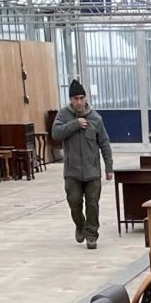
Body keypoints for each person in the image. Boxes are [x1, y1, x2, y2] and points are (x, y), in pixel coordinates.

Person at [52, 79, 113, 250]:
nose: (79, 102)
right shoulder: (63, 115)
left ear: (85, 98)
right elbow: (56, 134)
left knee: (92, 204)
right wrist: (75, 124)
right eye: (75, 99)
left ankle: (92, 235)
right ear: (70, 100)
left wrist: (109, 167)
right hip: (72, 172)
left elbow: (105, 143)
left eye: (81, 98)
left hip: (92, 172)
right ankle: (80, 225)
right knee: (74, 202)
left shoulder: (95, 118)